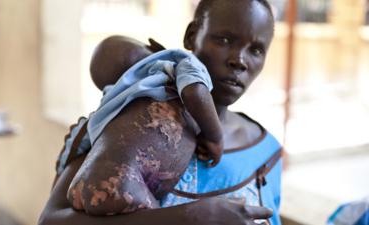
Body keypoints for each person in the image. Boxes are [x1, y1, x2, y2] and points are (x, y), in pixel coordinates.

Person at [38, 0, 282, 224]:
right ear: (191, 36)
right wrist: (189, 217)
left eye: (257, 50)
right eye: (224, 40)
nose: (239, 60)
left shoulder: (267, 152)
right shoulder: (135, 123)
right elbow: (51, 220)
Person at [66, 45, 224, 215]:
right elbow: (195, 91)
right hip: (124, 181)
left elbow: (77, 142)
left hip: (84, 182)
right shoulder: (175, 62)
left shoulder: (110, 106)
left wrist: (62, 168)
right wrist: (215, 137)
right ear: (153, 48)